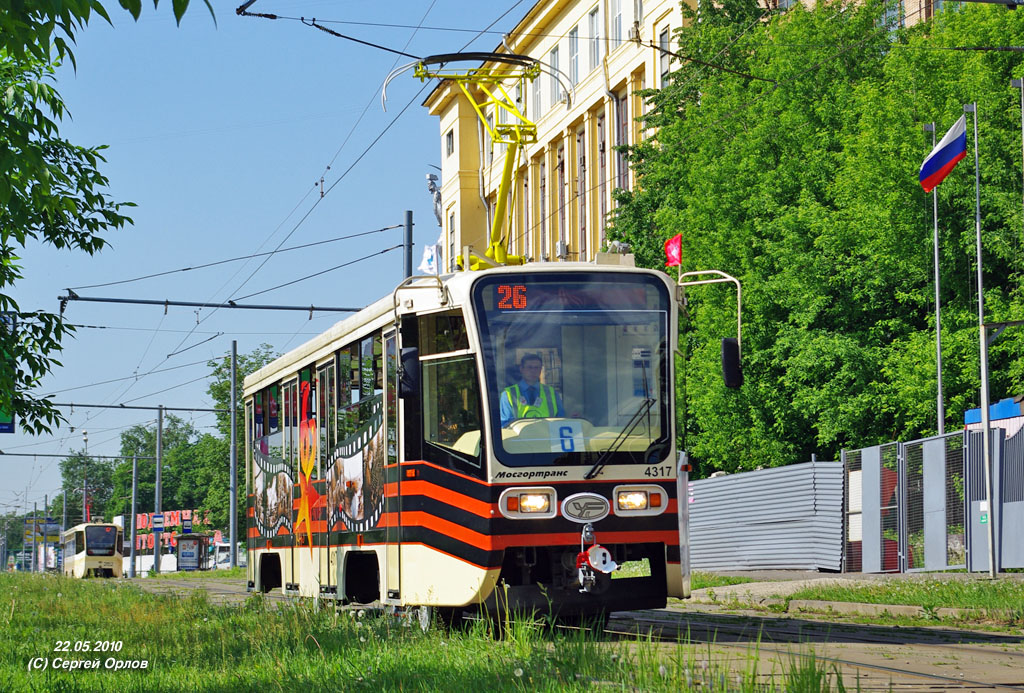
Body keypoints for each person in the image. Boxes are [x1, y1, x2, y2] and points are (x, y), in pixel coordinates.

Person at [500, 353, 565, 427]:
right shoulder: (508, 394)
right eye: (529, 367)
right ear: (521, 369)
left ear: (541, 370)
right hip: (520, 437)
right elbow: (505, 425)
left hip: (546, 437)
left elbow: (561, 420)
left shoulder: (552, 393)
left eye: (536, 368)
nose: (533, 371)